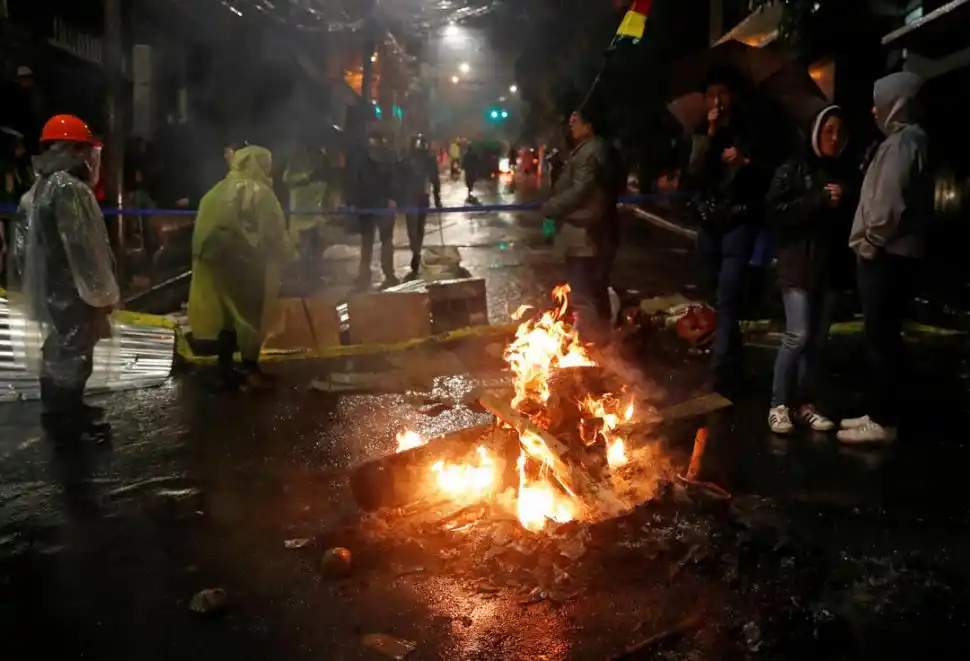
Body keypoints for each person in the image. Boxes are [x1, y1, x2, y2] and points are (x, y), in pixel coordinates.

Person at [837, 72, 931, 444]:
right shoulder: (903, 141)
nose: (874, 110)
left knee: (882, 340)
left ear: (896, 103)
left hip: (887, 256)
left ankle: (883, 421)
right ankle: (878, 412)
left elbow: (889, 205)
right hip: (888, 254)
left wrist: (869, 243)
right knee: (881, 337)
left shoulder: (904, 144)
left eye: (880, 102)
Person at [17, 114, 119, 442]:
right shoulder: (69, 190)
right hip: (73, 289)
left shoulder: (38, 189)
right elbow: (84, 248)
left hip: (51, 288)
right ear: (75, 151)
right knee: (76, 351)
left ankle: (57, 413)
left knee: (58, 349)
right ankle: (71, 420)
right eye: (87, 151)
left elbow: (22, 248)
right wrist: (101, 292)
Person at [765, 105, 858, 434]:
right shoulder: (793, 168)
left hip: (828, 269)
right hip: (797, 265)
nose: (835, 138)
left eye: (840, 132)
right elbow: (776, 211)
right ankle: (778, 405)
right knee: (798, 335)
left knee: (817, 341)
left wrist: (846, 198)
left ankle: (805, 404)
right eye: (828, 130)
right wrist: (817, 200)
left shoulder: (846, 173)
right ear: (816, 133)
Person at [188, 145, 298, 391]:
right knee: (249, 316)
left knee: (226, 315)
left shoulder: (216, 190)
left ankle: (224, 367)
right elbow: (273, 233)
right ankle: (249, 368)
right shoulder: (261, 193)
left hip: (212, 261)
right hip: (244, 263)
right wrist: (291, 258)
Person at [686, 69, 768, 397]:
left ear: (732, 96)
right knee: (714, 294)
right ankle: (735, 365)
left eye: (722, 93)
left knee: (727, 297)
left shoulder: (750, 128)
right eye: (711, 95)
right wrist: (709, 134)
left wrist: (744, 161)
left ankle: (719, 376)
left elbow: (769, 173)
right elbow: (693, 172)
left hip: (739, 220)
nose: (717, 101)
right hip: (709, 223)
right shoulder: (701, 130)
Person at [540, 107, 623, 343]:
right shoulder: (587, 149)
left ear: (589, 126)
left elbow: (580, 191)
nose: (571, 125)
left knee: (584, 294)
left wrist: (551, 207)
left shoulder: (591, 151)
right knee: (592, 291)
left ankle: (590, 344)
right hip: (586, 233)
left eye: (576, 121)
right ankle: (599, 342)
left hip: (584, 234)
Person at [350, 132, 398, 290]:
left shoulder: (387, 159)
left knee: (385, 241)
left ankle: (388, 274)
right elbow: (355, 181)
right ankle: (365, 276)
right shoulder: (362, 160)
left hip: (382, 204)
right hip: (367, 205)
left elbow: (395, 179)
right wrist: (354, 202)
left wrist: (393, 198)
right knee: (367, 242)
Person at [283, 145, 334, 289]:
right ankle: (305, 277)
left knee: (318, 247)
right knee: (304, 249)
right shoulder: (296, 171)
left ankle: (315, 276)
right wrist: (306, 177)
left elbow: (325, 193)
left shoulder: (320, 174)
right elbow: (287, 179)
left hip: (317, 216)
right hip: (302, 217)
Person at [397, 133, 442, 280]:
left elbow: (435, 179)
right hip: (411, 198)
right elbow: (400, 180)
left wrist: (437, 197)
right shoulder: (406, 161)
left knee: (419, 228)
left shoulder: (429, 161)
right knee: (413, 228)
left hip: (422, 197)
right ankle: (415, 252)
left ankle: (416, 252)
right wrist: (399, 199)